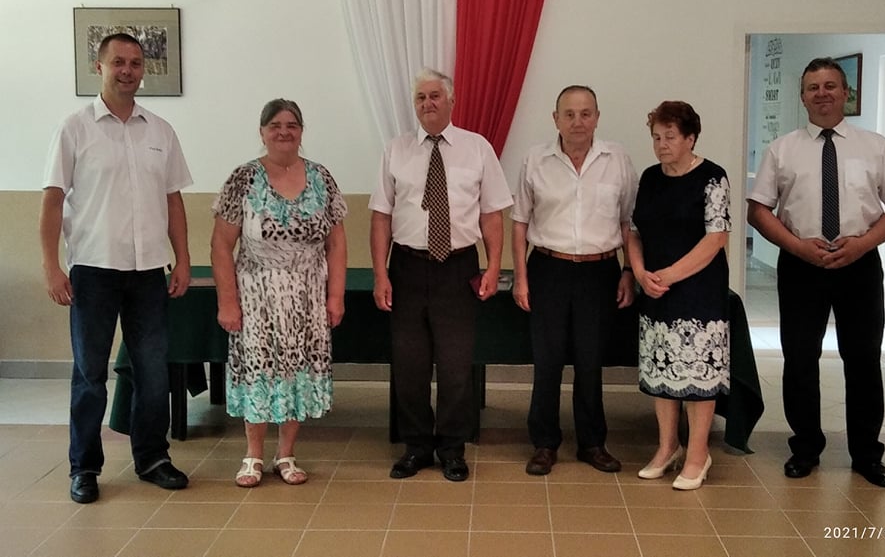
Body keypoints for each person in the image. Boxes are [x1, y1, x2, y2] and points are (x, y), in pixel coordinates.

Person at [747, 57, 885, 488]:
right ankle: (805, 448)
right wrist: (797, 246)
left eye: (830, 86)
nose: (822, 93)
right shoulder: (782, 149)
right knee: (800, 358)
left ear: (845, 93)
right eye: (813, 87)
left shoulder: (875, 146)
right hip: (801, 264)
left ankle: (866, 454)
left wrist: (864, 243)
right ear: (802, 96)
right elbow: (758, 211)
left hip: (859, 264)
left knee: (863, 360)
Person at [40, 33, 192, 504]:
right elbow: (52, 201)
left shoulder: (160, 131)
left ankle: (152, 458)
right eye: (118, 62)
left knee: (153, 372)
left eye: (136, 63)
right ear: (100, 66)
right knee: (90, 374)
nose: (128, 70)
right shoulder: (74, 128)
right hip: (93, 270)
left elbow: (173, 200)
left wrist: (183, 258)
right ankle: (84, 467)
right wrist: (51, 266)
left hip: (148, 270)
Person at [369, 68, 512, 482]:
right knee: (410, 365)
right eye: (420, 97)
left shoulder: (477, 148)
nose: (427, 103)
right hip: (408, 268)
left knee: (455, 366)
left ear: (451, 101)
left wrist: (493, 265)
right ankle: (416, 447)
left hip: (458, 268)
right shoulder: (396, 150)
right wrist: (380, 274)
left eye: (434, 96)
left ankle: (452, 448)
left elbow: (492, 214)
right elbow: (381, 217)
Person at [211, 99, 347, 487]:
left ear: (301, 132)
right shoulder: (243, 179)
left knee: (296, 372)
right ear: (262, 132)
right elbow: (221, 245)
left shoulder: (322, 178)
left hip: (307, 295)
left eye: (291, 125)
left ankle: (285, 454)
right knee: (259, 369)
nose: (283, 132)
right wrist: (227, 301)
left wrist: (335, 296)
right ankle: (252, 455)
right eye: (275, 125)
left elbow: (337, 243)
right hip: (257, 295)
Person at [512, 85, 638, 476]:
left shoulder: (617, 160)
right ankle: (544, 443)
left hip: (600, 272)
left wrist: (629, 271)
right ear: (556, 119)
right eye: (569, 114)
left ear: (597, 117)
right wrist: (520, 277)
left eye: (585, 113)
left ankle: (592, 443)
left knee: (590, 361)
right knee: (547, 361)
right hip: (548, 269)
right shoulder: (535, 160)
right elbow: (519, 223)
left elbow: (629, 222)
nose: (577, 122)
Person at [626, 101, 731, 491]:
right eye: (656, 137)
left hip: (699, 290)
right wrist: (640, 272)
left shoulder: (712, 177)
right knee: (662, 370)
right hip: (655, 288)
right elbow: (633, 231)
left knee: (698, 375)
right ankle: (667, 447)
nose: (662, 145)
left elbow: (716, 238)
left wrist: (669, 275)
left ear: (690, 138)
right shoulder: (650, 177)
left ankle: (698, 454)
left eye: (670, 137)